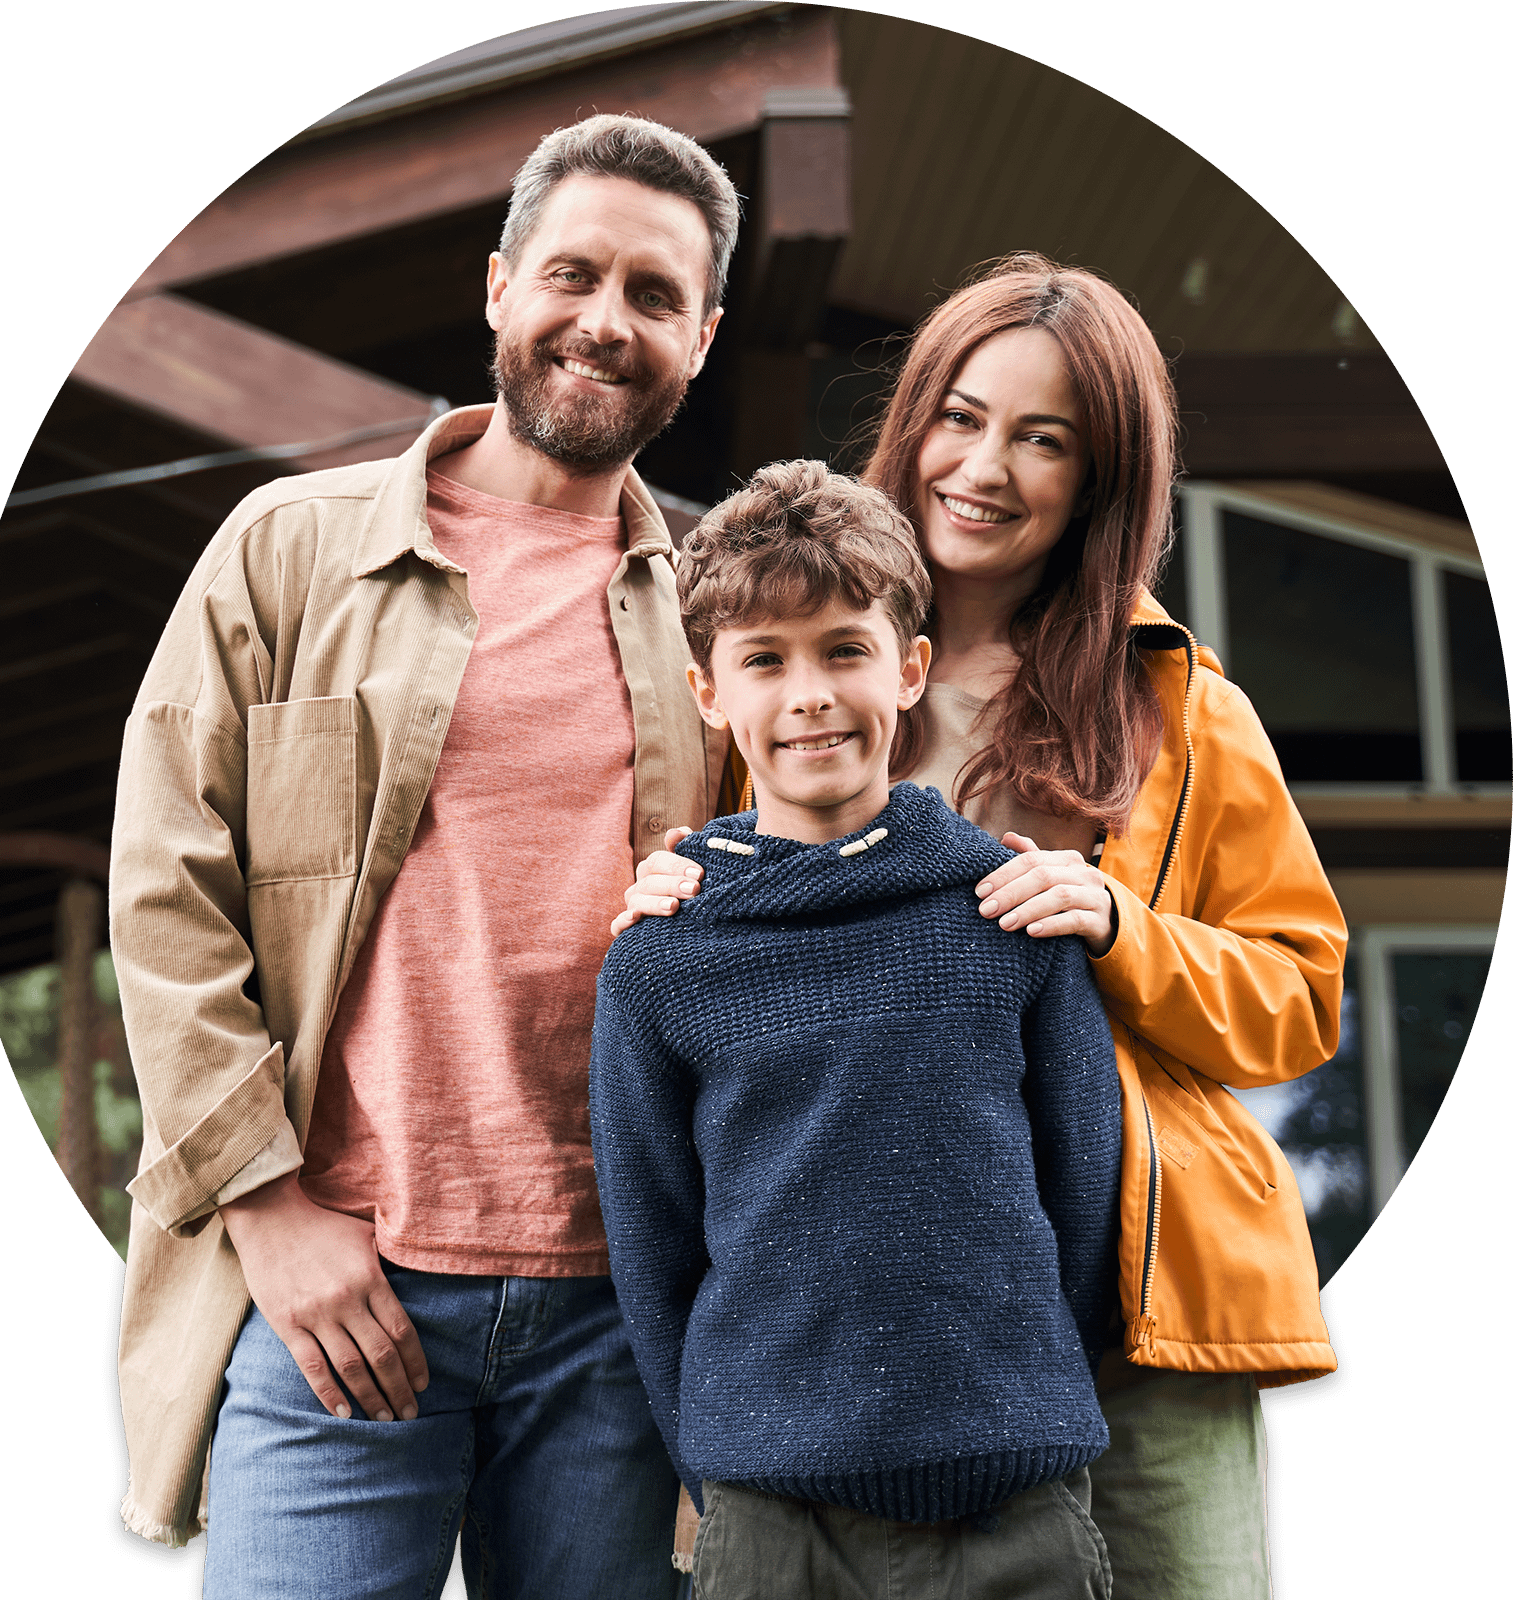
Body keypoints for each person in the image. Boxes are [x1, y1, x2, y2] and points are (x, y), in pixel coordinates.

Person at [616, 255, 1347, 1599]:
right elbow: (718, 936)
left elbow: (1302, 996)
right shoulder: (799, 664)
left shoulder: (1180, 708)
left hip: (1143, 1306)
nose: (984, 465)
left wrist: (1120, 926)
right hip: (855, 1346)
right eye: (960, 416)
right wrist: (666, 882)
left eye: (1042, 438)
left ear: (1098, 479)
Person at [109, 113, 739, 1598]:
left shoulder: (719, 612)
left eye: (654, 297)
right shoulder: (290, 547)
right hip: (336, 1282)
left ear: (702, 340)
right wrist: (264, 1203)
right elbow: (163, 888)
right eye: (573, 276)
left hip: (624, 1315)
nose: (605, 323)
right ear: (499, 286)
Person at [591, 460, 1121, 1598]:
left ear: (909, 668)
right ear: (708, 693)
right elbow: (653, 1240)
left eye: (844, 649)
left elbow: (1084, 1185)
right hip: (775, 1518)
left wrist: (1014, 1385)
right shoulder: (664, 955)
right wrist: (724, 1451)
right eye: (764, 660)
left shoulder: (1008, 910)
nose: (811, 693)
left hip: (1015, 1499)